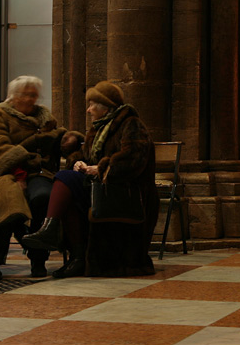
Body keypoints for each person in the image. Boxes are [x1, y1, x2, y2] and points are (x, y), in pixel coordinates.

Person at [21, 81, 159, 278]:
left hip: (124, 189)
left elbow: (134, 159)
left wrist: (101, 167)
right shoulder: (99, 128)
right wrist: (78, 161)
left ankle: (50, 230)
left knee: (63, 177)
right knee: (68, 193)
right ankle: (78, 258)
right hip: (102, 186)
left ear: (106, 106)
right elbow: (87, 155)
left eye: (92, 104)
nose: (88, 109)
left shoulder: (131, 124)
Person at [0, 75, 73, 280]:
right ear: (14, 96)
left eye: (34, 95)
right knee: (9, 200)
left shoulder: (45, 119)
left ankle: (38, 259)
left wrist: (72, 147)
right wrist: (19, 174)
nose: (31, 99)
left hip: (38, 172)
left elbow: (60, 143)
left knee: (43, 197)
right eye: (26, 95)